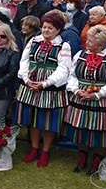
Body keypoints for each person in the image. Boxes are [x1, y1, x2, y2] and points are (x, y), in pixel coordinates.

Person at [63, 25, 106, 175]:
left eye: (90, 41)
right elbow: (71, 75)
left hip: (102, 99)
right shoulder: (80, 54)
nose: (87, 43)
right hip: (81, 97)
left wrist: (97, 94)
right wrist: (76, 90)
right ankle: (82, 159)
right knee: (81, 130)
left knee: (100, 132)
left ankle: (96, 161)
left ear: (101, 44)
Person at [16, 10, 72, 167]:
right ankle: (34, 149)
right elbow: (24, 61)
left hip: (49, 87)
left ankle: (45, 151)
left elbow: (64, 70)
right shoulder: (34, 41)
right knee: (33, 119)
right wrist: (26, 79)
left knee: (48, 120)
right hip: (31, 85)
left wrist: (45, 83)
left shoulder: (63, 46)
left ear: (58, 30)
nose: (46, 30)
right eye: (45, 27)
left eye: (50, 28)